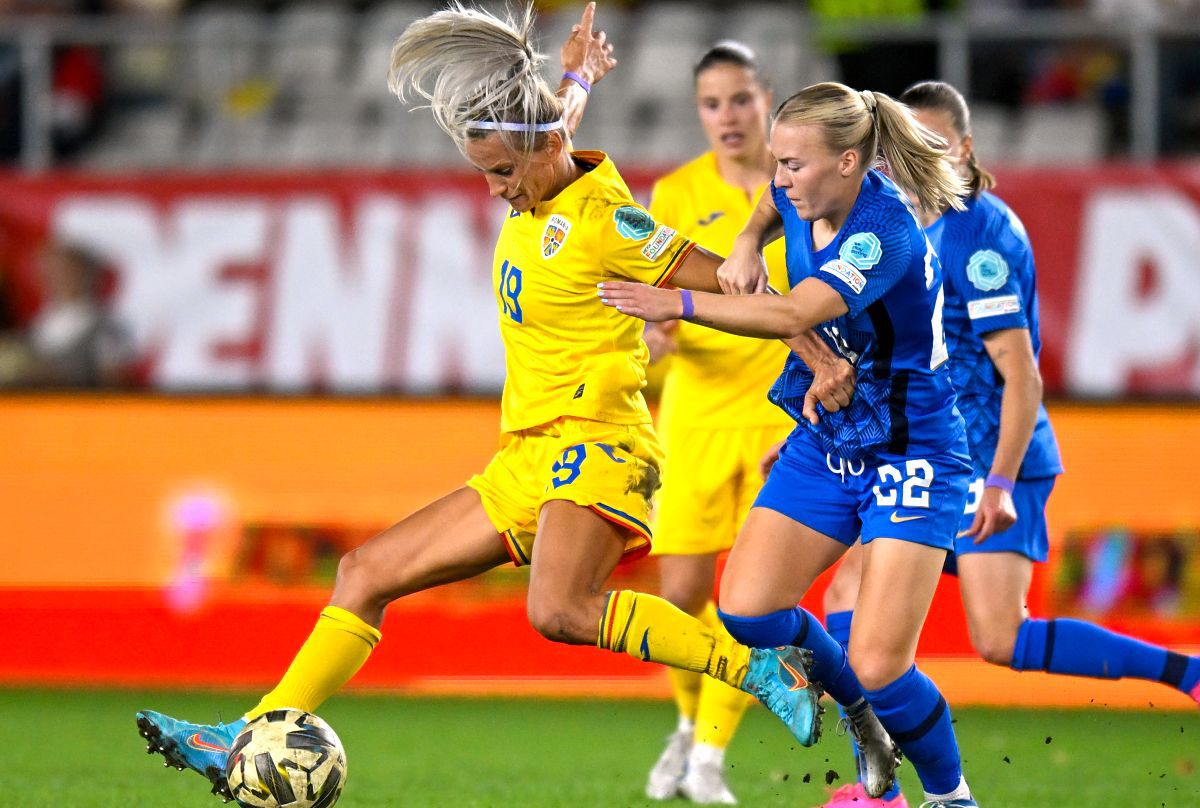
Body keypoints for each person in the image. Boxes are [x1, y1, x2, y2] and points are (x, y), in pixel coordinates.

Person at [132, 5, 871, 802]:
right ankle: (249, 738)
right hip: (527, 454)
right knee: (364, 571)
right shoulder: (543, 168)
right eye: (484, 171)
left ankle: (758, 670)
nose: (493, 191)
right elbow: (551, 129)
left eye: (500, 172)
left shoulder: (606, 221)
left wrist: (817, 349)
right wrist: (579, 76)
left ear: (543, 147)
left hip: (601, 441)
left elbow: (732, 279)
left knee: (559, 609)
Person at [818, 79, 1200, 808]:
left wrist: (997, 481)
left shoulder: (978, 233)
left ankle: (1185, 673)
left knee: (1001, 640)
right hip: (923, 456)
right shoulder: (898, 228)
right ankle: (882, 783)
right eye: (901, 148)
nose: (910, 162)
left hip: (993, 459)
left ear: (964, 148)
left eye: (930, 145)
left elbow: (1020, 377)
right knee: (848, 591)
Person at [599, 81, 983, 807]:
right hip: (830, 433)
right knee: (746, 610)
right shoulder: (804, 194)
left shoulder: (882, 232)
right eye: (776, 162)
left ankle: (949, 796)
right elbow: (773, 206)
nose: (779, 180)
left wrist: (676, 300)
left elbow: (793, 311)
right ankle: (864, 723)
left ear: (849, 163)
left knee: (880, 659)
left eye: (794, 166)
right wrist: (746, 238)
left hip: (912, 451)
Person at [638, 41, 798, 806]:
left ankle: (708, 753)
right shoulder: (672, 194)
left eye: (740, 99)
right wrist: (654, 341)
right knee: (680, 598)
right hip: (692, 420)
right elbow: (646, 311)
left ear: (767, 98)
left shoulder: (801, 186)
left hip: (777, 424)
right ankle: (686, 718)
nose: (727, 117)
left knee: (750, 601)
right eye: (711, 104)